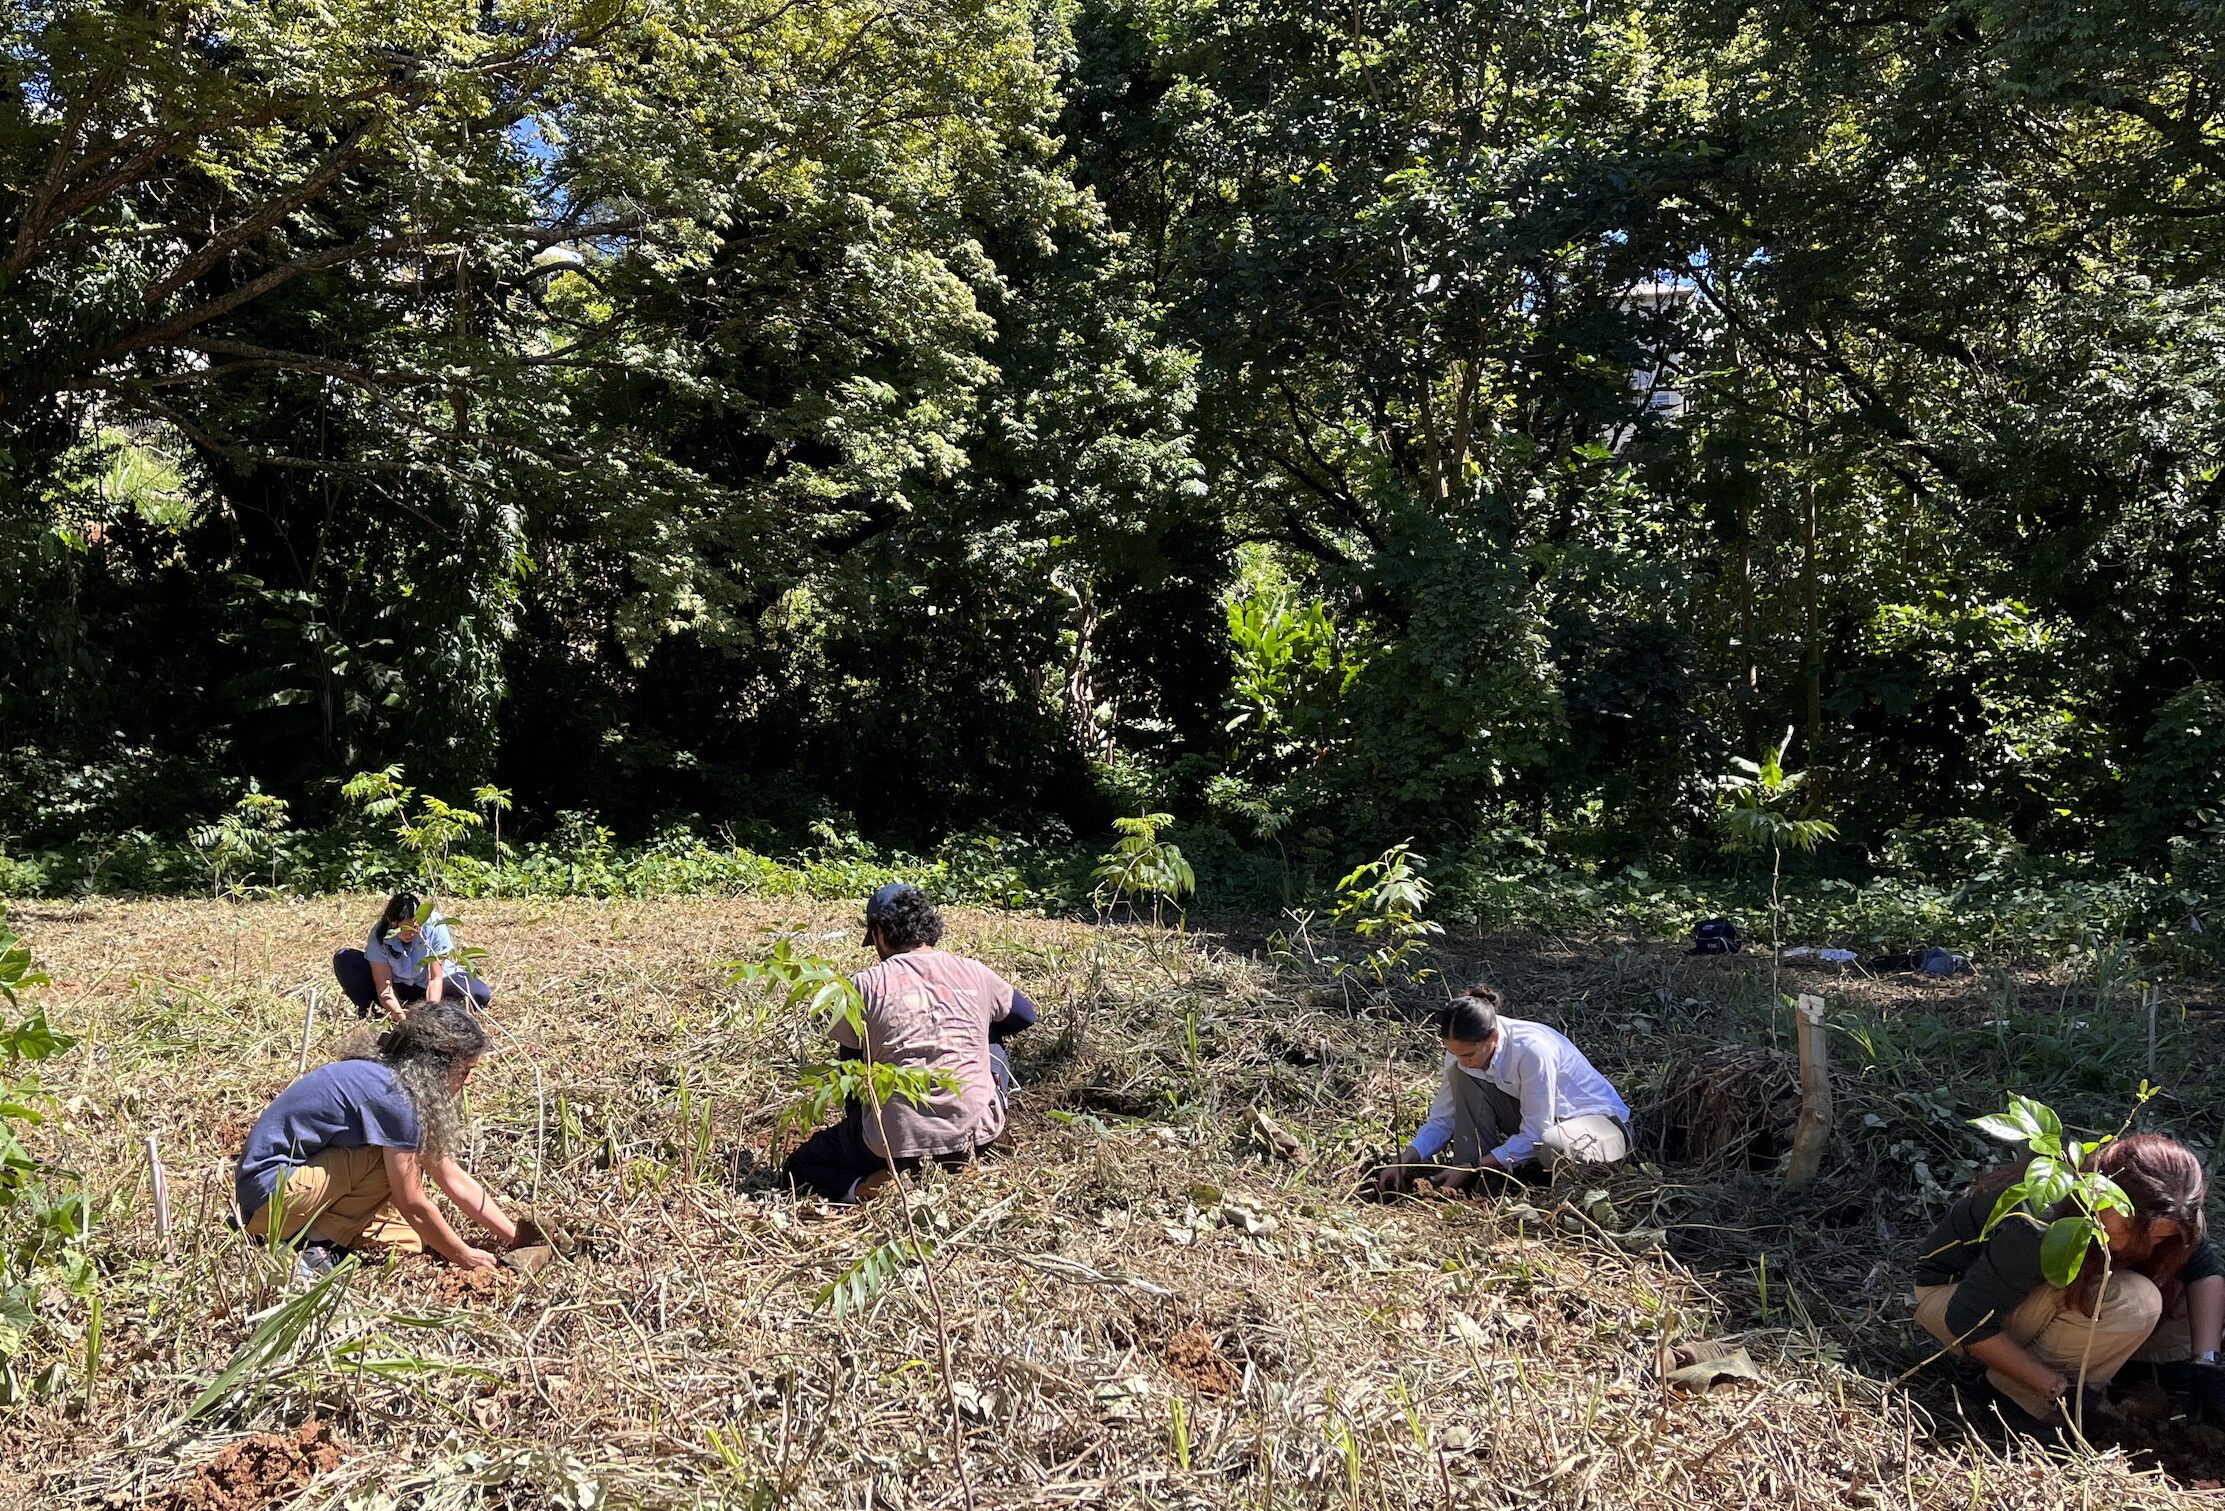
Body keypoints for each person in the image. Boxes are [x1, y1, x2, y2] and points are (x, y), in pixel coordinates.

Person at [1913, 1132, 2224, 1429]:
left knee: (2187, 1304)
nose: (2149, 1243)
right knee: (2136, 1302)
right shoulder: (2042, 1222)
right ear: (2106, 1198)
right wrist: (2058, 1389)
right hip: (1952, 1298)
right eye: (2141, 1231)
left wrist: (2206, 1363)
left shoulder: (2172, 1213)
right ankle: (2017, 1399)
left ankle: (2134, 1373)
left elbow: (2203, 1273)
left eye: (2159, 1237)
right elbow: (1967, 1319)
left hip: (2020, 1300)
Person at [783, 883, 1039, 1204]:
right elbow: (1026, 1015)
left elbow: (851, 1073)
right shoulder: (974, 972)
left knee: (799, 1165)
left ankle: (864, 1186)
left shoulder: (861, 986)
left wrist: (859, 1130)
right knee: (992, 1036)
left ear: (879, 932)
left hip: (892, 1145)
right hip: (977, 1135)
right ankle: (974, 1145)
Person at [233, 1001, 519, 1274]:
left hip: (275, 1194)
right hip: (270, 1197)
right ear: (435, 1065)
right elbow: (412, 1202)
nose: (469, 1080)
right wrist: (462, 1255)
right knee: (390, 1159)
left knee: (409, 1241)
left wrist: (516, 1237)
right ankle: (315, 1244)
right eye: (465, 1070)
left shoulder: (387, 1076)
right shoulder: (395, 1099)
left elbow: (450, 1175)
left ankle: (297, 1233)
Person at [1369, 983, 1631, 1196]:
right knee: (1463, 1076)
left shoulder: (1532, 1051)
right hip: (1548, 1124)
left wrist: (1474, 1166)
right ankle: (1474, 1181)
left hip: (1599, 1129)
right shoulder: (1463, 1050)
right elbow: (1443, 1119)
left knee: (1553, 1146)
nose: (1462, 1060)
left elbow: (1536, 1133)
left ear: (1493, 1037)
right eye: (1454, 1053)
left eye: (1468, 1054)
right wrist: (1406, 1158)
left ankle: (1541, 1184)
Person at [332, 892, 491, 1020]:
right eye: (404, 928)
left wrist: (429, 1014)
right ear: (392, 923)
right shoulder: (379, 935)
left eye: (415, 926)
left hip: (432, 984)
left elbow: (435, 979)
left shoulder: (435, 926)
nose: (410, 933)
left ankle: (438, 1011)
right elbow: (384, 988)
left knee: (479, 993)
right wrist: (401, 1018)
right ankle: (370, 1012)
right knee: (345, 960)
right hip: (399, 985)